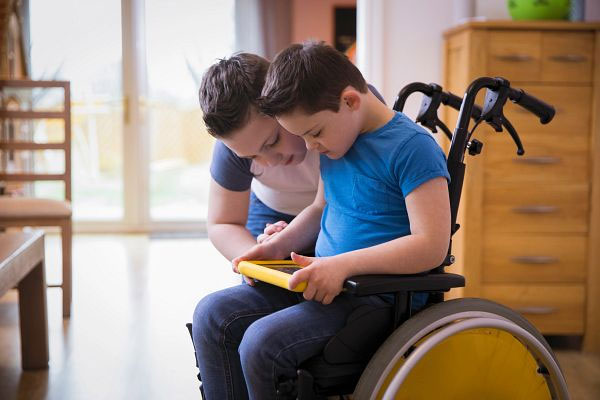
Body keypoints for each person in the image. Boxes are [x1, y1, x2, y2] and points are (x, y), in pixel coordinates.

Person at [192, 42, 450, 400]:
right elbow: (318, 209)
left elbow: (432, 246)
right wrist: (275, 246)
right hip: (327, 288)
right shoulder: (335, 140)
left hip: (375, 299)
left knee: (261, 343)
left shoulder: (413, 148)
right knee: (213, 314)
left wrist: (341, 266)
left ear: (350, 102)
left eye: (311, 134)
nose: (308, 147)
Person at [199, 53, 321, 262]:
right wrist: (256, 258)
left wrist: (287, 241)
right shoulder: (231, 148)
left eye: (272, 142)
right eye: (252, 156)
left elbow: (328, 206)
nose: (271, 162)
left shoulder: (331, 120)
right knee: (263, 289)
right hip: (270, 215)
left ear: (286, 102)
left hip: (336, 213)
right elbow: (222, 223)